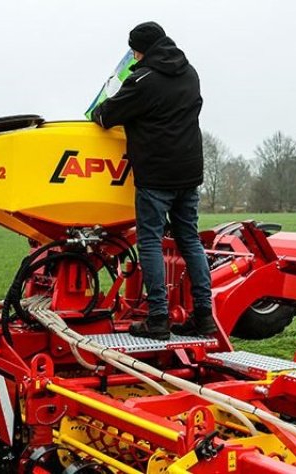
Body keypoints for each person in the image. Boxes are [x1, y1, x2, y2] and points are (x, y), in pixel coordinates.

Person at [91, 21, 215, 340]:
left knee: (149, 240)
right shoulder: (191, 73)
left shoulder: (143, 79)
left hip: (156, 173)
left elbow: (105, 115)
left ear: (138, 50)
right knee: (189, 239)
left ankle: (158, 319)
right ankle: (204, 316)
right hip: (189, 171)